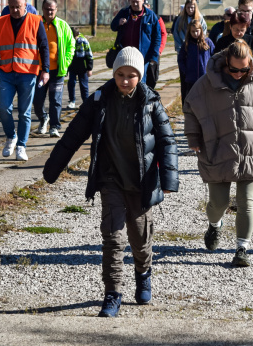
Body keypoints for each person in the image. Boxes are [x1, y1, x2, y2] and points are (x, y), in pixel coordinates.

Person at [42, 47, 178, 317]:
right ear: (113, 73)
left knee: (140, 239)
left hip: (141, 182)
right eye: (120, 74)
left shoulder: (151, 101)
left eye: (131, 75)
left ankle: (143, 273)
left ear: (140, 76)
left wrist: (168, 179)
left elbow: (167, 141)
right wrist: (52, 168)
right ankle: (112, 293)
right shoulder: (99, 100)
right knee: (113, 238)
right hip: (111, 179)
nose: (125, 80)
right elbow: (73, 135)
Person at [184, 41, 253, 268]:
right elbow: (190, 108)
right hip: (218, 150)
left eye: (244, 69)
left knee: (246, 202)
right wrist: (193, 138)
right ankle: (214, 225)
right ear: (226, 63)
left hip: (251, 151)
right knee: (218, 203)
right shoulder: (206, 83)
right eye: (234, 69)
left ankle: (242, 249)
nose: (239, 74)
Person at [0, 0, 50, 161]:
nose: (15, 10)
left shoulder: (35, 21)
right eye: (11, 7)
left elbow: (43, 46)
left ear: (25, 5)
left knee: (24, 112)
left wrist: (45, 70)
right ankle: (11, 137)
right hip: (6, 72)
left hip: (27, 73)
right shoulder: (1, 21)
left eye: (18, 7)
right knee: (3, 107)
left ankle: (22, 146)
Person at [34, 0, 75, 138]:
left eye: (52, 9)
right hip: (39, 70)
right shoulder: (36, 23)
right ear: (42, 9)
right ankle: (43, 118)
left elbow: (71, 45)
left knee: (55, 100)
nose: (49, 12)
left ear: (56, 10)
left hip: (57, 70)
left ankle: (54, 127)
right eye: (47, 9)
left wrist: (67, 60)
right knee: (37, 100)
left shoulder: (63, 25)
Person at [111, 0, 161, 89]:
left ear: (143, 1)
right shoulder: (124, 13)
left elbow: (157, 37)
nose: (134, 3)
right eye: (132, 1)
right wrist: (118, 22)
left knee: (140, 81)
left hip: (143, 56)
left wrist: (153, 57)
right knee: (124, 80)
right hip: (125, 55)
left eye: (137, 1)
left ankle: (140, 102)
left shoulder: (150, 16)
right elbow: (113, 26)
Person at [177, 19, 214, 104]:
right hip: (191, 78)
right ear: (189, 31)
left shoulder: (208, 42)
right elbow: (181, 59)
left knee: (205, 100)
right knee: (193, 100)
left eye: (197, 31)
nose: (195, 34)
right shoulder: (187, 44)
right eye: (193, 31)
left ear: (201, 30)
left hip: (205, 77)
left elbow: (214, 56)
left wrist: (211, 70)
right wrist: (185, 71)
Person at [67, 27, 93, 109]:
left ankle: (86, 102)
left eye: (75, 37)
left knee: (84, 85)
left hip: (82, 67)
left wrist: (89, 69)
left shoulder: (83, 41)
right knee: (71, 83)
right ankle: (72, 101)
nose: (73, 39)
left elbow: (89, 55)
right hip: (72, 67)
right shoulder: (68, 41)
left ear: (78, 35)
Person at [144, 0, 166, 89]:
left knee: (153, 76)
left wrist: (159, 49)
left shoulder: (157, 18)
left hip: (154, 51)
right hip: (143, 51)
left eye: (145, 5)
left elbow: (163, 34)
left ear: (149, 5)